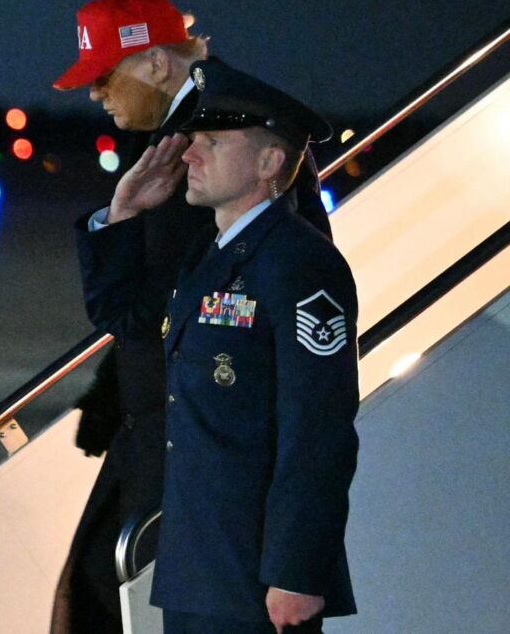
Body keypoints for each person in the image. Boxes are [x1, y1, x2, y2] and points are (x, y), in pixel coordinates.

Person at [78, 57, 359, 633]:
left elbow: (318, 432)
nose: (189, 155)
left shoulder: (300, 264)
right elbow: (125, 319)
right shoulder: (208, 257)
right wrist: (123, 213)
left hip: (258, 575)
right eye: (193, 139)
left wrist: (297, 572)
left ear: (269, 162)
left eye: (212, 141)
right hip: (195, 566)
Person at [49, 0, 215, 634]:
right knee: (96, 587)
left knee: (105, 594)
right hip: (151, 419)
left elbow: (159, 305)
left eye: (103, 75)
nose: (95, 93)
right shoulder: (174, 139)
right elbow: (139, 306)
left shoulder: (222, 136)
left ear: (155, 62)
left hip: (188, 430)